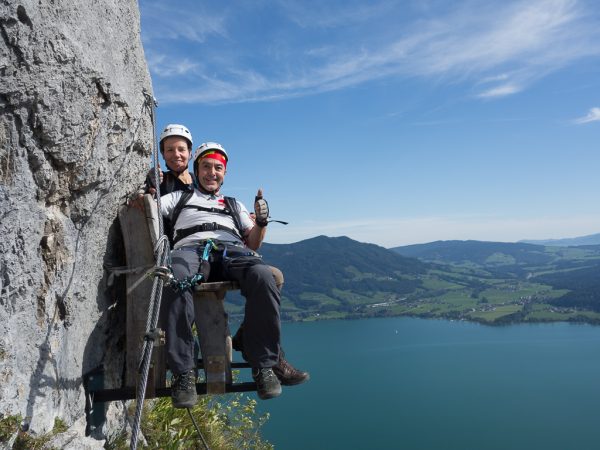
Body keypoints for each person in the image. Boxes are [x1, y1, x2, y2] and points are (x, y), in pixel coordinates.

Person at [159, 140, 309, 407]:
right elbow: (151, 209)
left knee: (264, 276)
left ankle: (263, 364)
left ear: (225, 173)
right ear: (197, 169)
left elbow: (253, 243)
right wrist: (146, 191)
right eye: (206, 167)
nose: (212, 173)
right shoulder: (177, 198)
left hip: (232, 250)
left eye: (218, 168)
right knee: (177, 280)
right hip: (191, 249)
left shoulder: (233, 204)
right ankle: (184, 372)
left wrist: (261, 222)